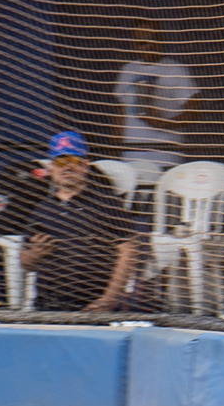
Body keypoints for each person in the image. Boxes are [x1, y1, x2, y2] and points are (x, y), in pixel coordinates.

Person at [19, 131, 145, 312]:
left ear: (86, 166)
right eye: (61, 162)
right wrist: (33, 255)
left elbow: (129, 252)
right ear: (52, 168)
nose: (67, 168)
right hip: (47, 308)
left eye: (75, 161)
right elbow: (25, 263)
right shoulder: (43, 209)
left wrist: (109, 299)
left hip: (93, 306)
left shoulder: (107, 203)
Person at [112, 18, 200, 175]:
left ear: (161, 39)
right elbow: (121, 112)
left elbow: (195, 111)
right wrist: (116, 147)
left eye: (152, 39)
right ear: (134, 45)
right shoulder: (128, 71)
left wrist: (164, 123)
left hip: (165, 152)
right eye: (141, 42)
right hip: (132, 152)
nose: (148, 45)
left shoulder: (176, 70)